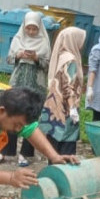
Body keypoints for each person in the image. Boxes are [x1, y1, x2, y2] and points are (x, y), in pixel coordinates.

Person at [0, 11, 51, 167]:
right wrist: (19, 55)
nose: (31, 32)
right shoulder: (18, 39)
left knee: (30, 117)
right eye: (28, 28)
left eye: (34, 29)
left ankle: (25, 153)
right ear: (24, 27)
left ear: (39, 28)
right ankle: (5, 151)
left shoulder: (44, 42)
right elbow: (9, 59)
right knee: (12, 113)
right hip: (17, 82)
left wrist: (36, 58)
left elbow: (47, 65)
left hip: (36, 85)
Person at [39, 26, 86, 157]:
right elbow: (68, 85)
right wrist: (72, 109)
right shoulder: (70, 59)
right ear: (73, 40)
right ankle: (64, 174)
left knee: (54, 143)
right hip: (66, 108)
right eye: (80, 40)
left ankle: (52, 172)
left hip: (55, 105)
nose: (82, 44)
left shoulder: (61, 55)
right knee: (67, 146)